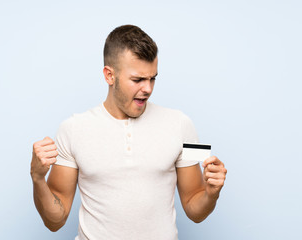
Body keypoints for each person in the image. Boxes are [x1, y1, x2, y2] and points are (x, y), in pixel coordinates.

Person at [30, 24, 227, 240]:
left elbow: (194, 208)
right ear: (109, 75)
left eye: (153, 78)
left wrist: (211, 194)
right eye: (138, 80)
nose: (148, 88)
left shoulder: (183, 124)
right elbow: (55, 221)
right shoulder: (71, 129)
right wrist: (38, 178)